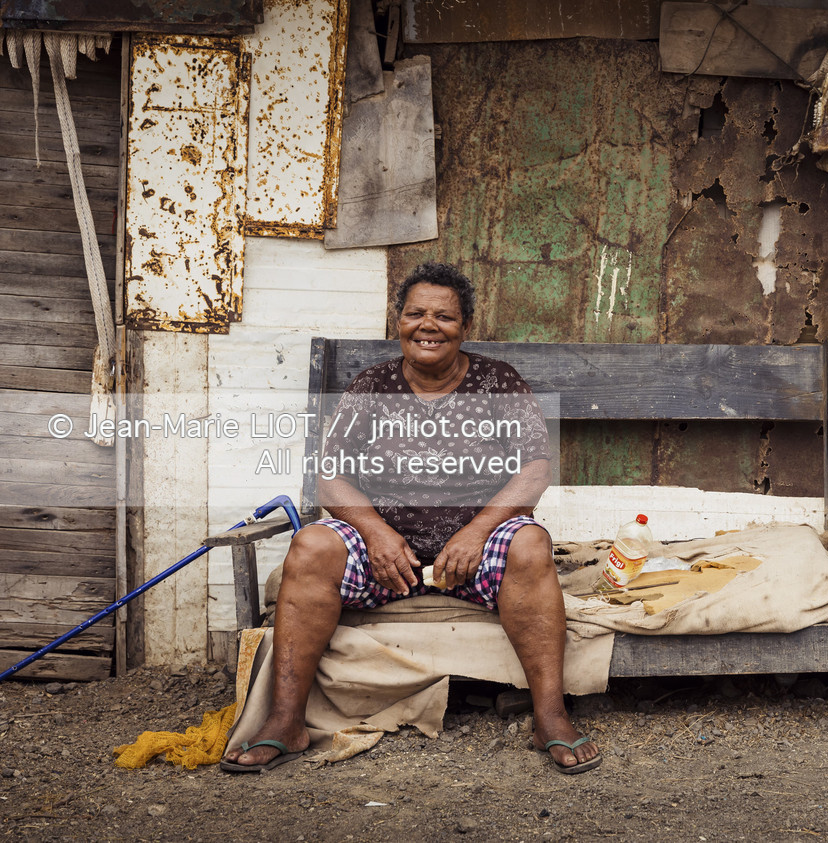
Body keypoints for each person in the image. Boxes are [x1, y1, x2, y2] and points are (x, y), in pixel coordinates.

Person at [221, 262, 601, 774]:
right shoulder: (372, 386)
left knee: (531, 542)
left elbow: (534, 470)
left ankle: (550, 716)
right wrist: (375, 533)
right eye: (414, 313)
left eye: (443, 316)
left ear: (465, 326)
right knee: (312, 545)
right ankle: (286, 720)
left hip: (473, 552)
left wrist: (476, 531)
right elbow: (329, 477)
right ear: (397, 322)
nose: (428, 325)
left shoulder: (496, 382)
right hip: (386, 557)